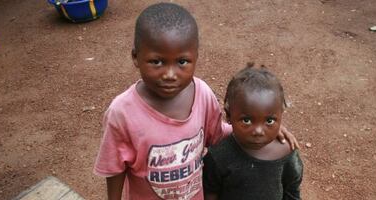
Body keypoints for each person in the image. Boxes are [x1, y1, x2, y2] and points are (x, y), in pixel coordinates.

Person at [94, 3, 298, 200]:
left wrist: (260, 124)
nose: (170, 74)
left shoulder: (202, 94)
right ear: (136, 57)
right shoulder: (122, 112)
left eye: (182, 62)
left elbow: (217, 132)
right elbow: (114, 167)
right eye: (157, 62)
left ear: (196, 57)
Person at [203, 64, 303, 200]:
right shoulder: (219, 154)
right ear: (229, 116)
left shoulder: (286, 151)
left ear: (281, 116)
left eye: (269, 121)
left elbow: (292, 190)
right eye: (247, 120)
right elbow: (210, 192)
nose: (258, 131)